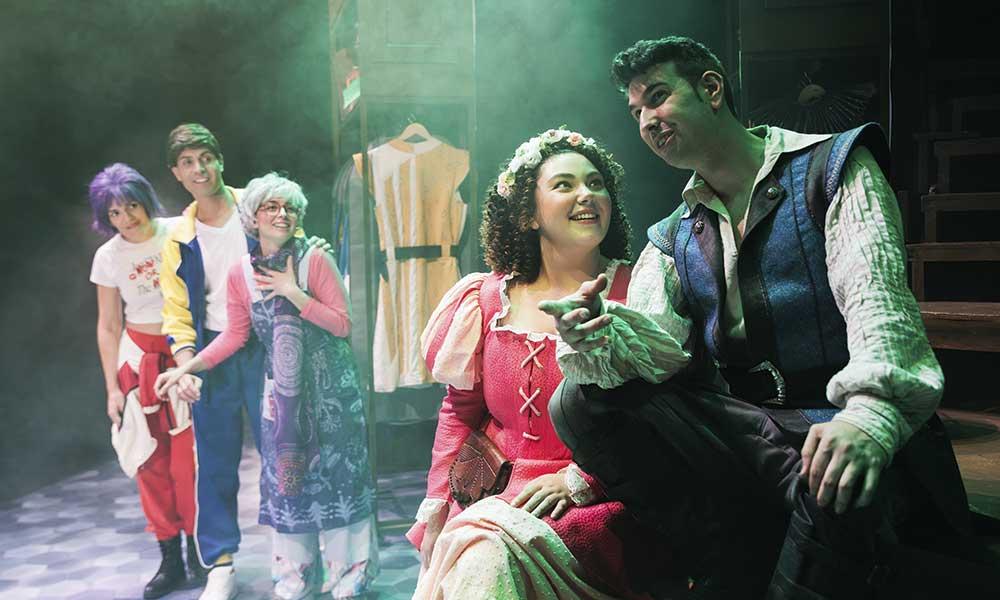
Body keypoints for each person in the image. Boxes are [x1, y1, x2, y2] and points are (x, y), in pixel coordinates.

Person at [542, 36, 980, 598]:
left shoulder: (833, 168)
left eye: (657, 97)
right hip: (749, 430)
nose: (647, 120)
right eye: (636, 112)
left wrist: (867, 418)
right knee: (576, 400)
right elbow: (660, 357)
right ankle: (730, 556)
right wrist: (597, 334)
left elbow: (880, 309)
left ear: (711, 88)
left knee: (833, 474)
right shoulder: (675, 233)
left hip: (832, 420)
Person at [409, 128, 670, 599]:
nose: (586, 194)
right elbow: (460, 412)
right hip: (492, 493)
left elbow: (663, 417)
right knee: (472, 557)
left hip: (600, 499)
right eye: (565, 184)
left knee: (487, 559)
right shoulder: (487, 299)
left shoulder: (641, 292)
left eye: (596, 183)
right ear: (528, 214)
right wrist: (438, 504)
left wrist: (581, 480)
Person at [156, 172, 378, 599]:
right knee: (289, 484)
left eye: (290, 207)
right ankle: (296, 574)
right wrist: (188, 368)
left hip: (331, 392)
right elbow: (235, 335)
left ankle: (348, 574)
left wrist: (294, 293)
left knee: (339, 478)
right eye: (271, 207)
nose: (282, 214)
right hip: (283, 396)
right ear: (253, 218)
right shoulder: (241, 273)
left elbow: (343, 325)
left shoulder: (315, 258)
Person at [88, 163, 204, 599]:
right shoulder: (108, 256)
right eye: (114, 213)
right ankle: (169, 558)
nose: (126, 218)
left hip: (184, 355)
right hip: (138, 364)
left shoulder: (178, 230)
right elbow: (108, 325)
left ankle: (201, 552)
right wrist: (112, 389)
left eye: (131, 206)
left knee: (189, 464)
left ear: (146, 200)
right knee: (149, 464)